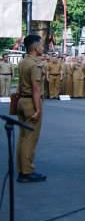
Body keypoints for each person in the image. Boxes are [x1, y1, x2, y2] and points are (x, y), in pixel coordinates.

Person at [15, 35, 47, 183]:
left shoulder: (23, 62)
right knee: (30, 139)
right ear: (35, 47)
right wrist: (38, 110)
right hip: (30, 102)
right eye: (41, 45)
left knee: (22, 138)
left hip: (22, 100)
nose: (43, 47)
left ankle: (21, 170)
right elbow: (36, 89)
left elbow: (19, 85)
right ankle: (27, 171)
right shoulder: (35, 65)